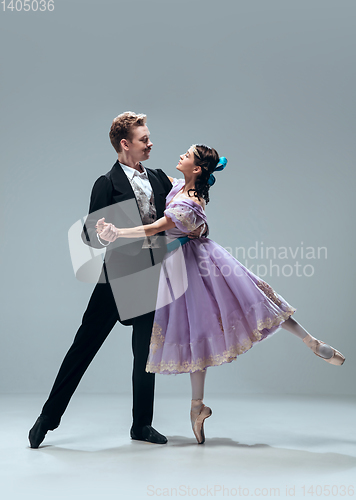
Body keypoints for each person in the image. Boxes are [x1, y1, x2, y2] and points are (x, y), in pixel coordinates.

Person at [97, 143, 346, 445]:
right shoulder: (183, 188)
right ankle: (307, 342)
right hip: (190, 262)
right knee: (248, 303)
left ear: (197, 168)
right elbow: (170, 200)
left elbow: (156, 228)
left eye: (186, 155)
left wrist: (118, 232)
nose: (180, 156)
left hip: (191, 268)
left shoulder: (188, 201)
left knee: (216, 319)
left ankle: (200, 403)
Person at [28, 112, 204, 449]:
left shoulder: (158, 178)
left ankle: (142, 425)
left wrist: (200, 225)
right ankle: (48, 418)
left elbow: (183, 210)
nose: (151, 143)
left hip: (152, 276)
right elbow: (90, 236)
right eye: (144, 139)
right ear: (125, 144)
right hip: (117, 277)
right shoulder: (106, 183)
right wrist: (104, 233)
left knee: (145, 354)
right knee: (84, 346)